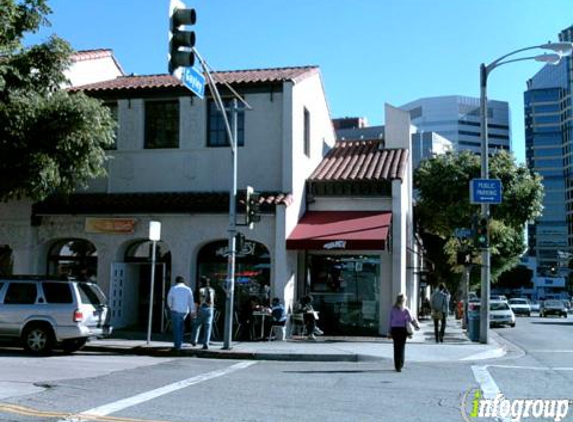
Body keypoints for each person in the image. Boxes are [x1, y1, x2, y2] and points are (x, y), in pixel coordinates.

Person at [387, 293, 419, 372]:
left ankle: (396, 365)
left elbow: (390, 321)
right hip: (402, 330)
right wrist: (416, 326)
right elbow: (412, 319)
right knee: (401, 347)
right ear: (404, 300)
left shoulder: (393, 309)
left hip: (394, 329)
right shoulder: (405, 309)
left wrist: (389, 331)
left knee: (396, 347)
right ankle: (400, 365)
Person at [167, 276, 195, 351]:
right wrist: (192, 311)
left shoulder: (173, 288)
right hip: (184, 311)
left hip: (175, 310)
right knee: (182, 327)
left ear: (176, 281)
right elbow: (191, 301)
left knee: (176, 328)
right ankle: (180, 342)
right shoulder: (188, 289)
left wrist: (170, 307)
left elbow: (169, 299)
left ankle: (177, 345)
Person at [191, 276, 215, 349]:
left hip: (201, 308)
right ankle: (206, 343)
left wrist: (194, 311)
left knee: (197, 325)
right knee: (208, 327)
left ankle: (194, 340)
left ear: (201, 282)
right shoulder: (212, 290)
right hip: (210, 309)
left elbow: (196, 303)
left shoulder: (198, 290)